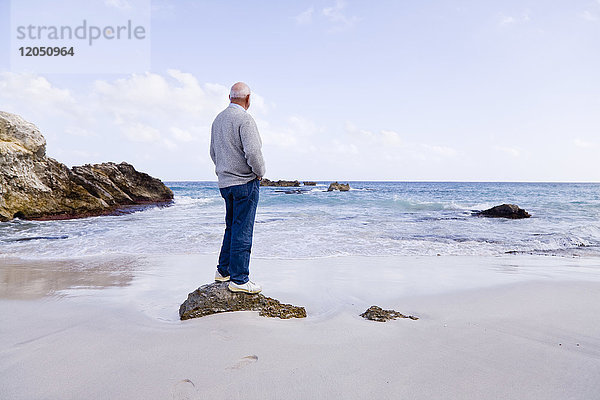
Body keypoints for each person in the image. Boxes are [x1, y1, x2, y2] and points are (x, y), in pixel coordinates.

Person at [210, 82, 265, 294]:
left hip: (225, 183)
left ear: (229, 97)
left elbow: (213, 152)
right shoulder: (245, 119)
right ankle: (240, 280)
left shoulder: (218, 120)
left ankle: (223, 271)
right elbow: (253, 152)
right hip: (244, 182)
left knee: (232, 227)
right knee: (243, 229)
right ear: (248, 99)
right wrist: (260, 172)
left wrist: (224, 171)